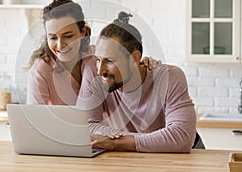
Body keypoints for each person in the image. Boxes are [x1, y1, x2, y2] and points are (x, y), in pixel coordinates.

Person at [77, 11, 205, 152]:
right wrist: (153, 140)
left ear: (135, 58)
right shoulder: (94, 73)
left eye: (110, 61)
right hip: (135, 154)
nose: (100, 70)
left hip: (182, 156)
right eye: (98, 59)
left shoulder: (170, 77)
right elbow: (85, 126)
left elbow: (181, 137)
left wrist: (116, 142)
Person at [26, 0, 160, 105]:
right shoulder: (41, 69)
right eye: (53, 37)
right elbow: (36, 119)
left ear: (82, 32)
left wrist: (144, 63)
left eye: (68, 36)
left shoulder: (97, 55)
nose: (60, 45)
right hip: (63, 135)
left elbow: (126, 67)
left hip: (103, 134)